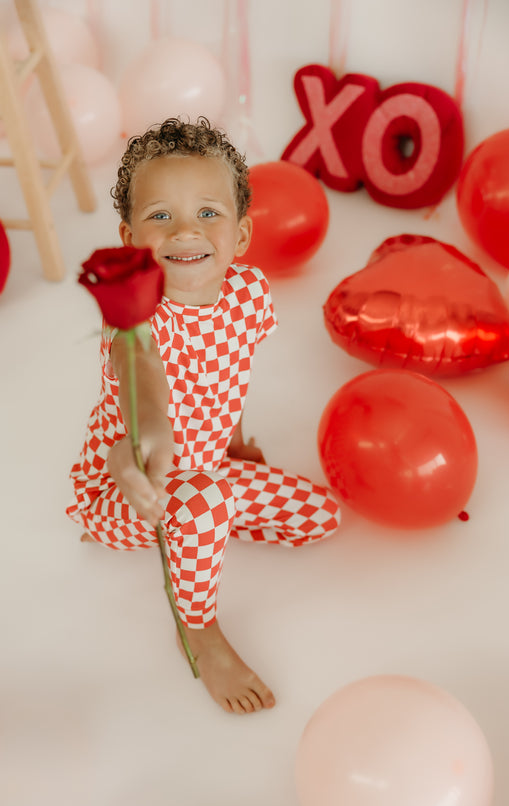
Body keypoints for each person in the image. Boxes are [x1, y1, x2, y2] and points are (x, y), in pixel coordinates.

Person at [67, 117, 341, 715]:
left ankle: (205, 525)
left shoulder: (248, 295)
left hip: (205, 469)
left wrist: (235, 443)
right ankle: (198, 627)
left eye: (208, 213)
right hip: (130, 491)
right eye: (160, 215)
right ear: (128, 237)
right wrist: (145, 449)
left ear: (241, 236)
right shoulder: (135, 321)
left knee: (321, 517)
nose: (185, 229)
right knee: (198, 498)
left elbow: (232, 376)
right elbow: (144, 385)